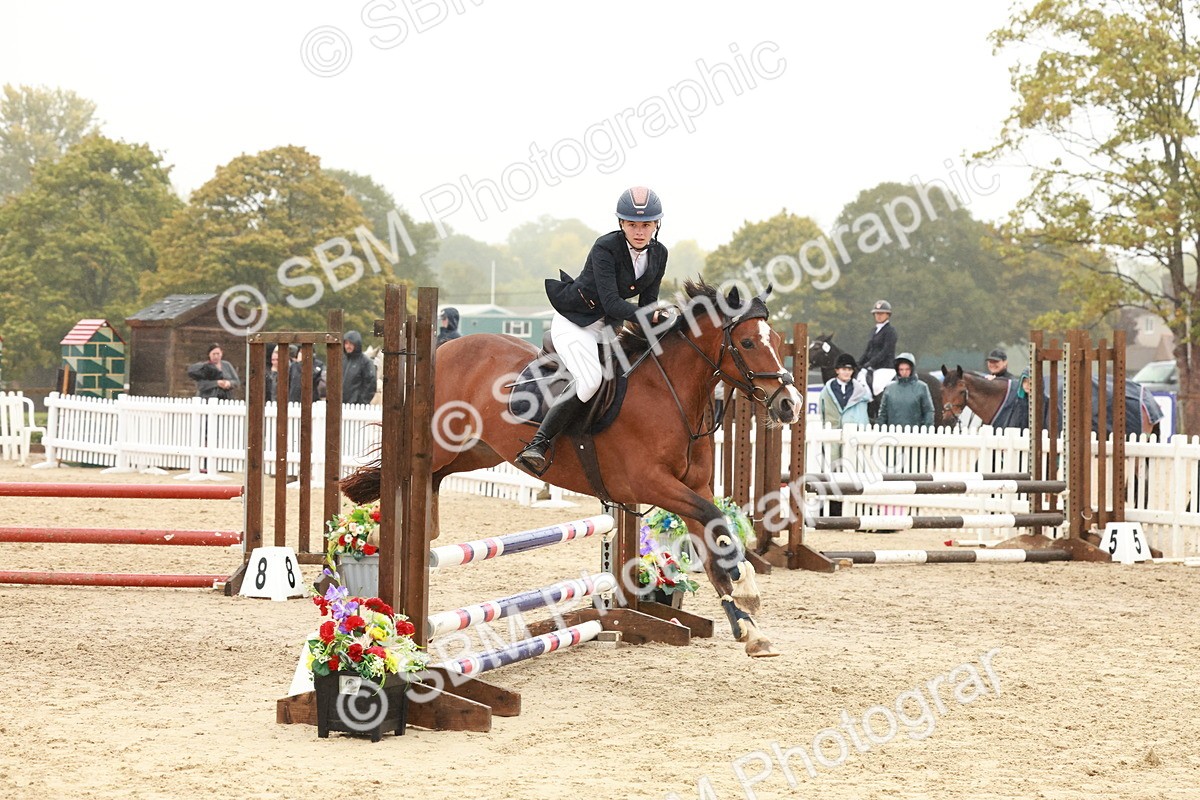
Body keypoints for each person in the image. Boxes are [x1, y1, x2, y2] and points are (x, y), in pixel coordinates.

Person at [515, 186, 671, 473]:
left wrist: (662, 321)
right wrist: (651, 316)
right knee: (590, 381)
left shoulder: (659, 254)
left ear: (656, 225)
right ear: (621, 224)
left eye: (646, 225)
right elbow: (612, 303)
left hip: (608, 328)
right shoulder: (605, 247)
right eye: (632, 224)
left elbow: (647, 304)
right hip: (574, 322)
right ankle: (538, 444)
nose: (639, 231)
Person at [877, 352, 934, 428]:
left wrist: (927, 429)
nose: (904, 372)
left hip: (915, 434)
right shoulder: (889, 388)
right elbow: (883, 413)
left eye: (907, 369)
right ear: (897, 370)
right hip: (892, 434)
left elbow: (928, 411)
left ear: (912, 369)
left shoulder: (922, 387)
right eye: (901, 369)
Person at [342, 331, 377, 405]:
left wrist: (362, 402)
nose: (348, 346)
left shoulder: (366, 362)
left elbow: (370, 384)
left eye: (351, 344)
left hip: (357, 407)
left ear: (357, 345)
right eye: (346, 343)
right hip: (340, 405)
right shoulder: (341, 360)